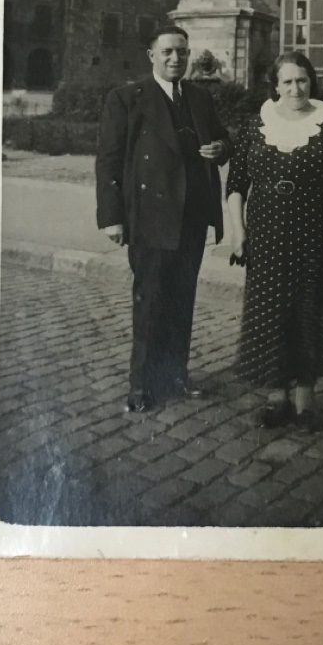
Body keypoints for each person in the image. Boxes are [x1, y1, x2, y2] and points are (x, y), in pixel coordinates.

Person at [226, 52, 323, 431]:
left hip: (316, 234)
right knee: (270, 311)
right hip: (266, 234)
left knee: (311, 311)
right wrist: (238, 231)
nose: (295, 88)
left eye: (302, 80)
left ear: (312, 83)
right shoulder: (256, 126)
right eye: (287, 81)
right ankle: (276, 394)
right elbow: (236, 185)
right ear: (275, 86)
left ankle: (306, 396)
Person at [96, 26, 232, 412]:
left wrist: (221, 147)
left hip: (191, 218)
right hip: (150, 218)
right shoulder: (127, 98)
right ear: (152, 56)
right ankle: (141, 386)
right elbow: (108, 159)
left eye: (183, 53)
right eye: (169, 52)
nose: (177, 59)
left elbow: (225, 140)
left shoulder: (201, 98)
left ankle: (175, 376)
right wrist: (112, 217)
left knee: (181, 300)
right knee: (150, 302)